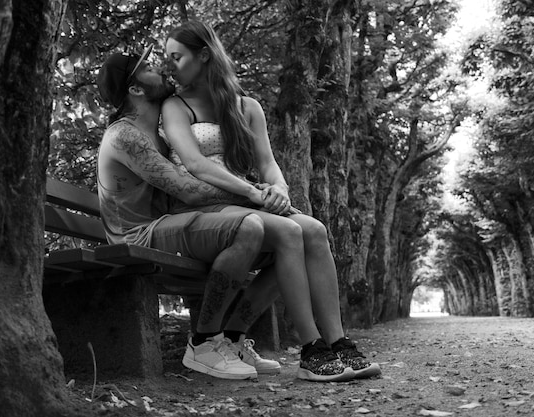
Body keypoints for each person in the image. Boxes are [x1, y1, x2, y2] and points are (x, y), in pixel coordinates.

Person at [161, 20, 381, 382]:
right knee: (288, 232)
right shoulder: (176, 106)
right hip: (201, 207)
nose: (171, 65)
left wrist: (278, 190)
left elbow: (267, 164)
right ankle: (311, 350)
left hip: (247, 204)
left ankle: (337, 342)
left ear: (203, 56)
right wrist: (253, 193)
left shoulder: (247, 107)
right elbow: (195, 164)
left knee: (314, 230)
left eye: (177, 57)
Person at [96, 45, 282, 380]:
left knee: (283, 241)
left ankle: (234, 338)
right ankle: (204, 342)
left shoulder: (161, 134)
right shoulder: (125, 135)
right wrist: (256, 195)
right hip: (139, 235)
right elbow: (188, 189)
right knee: (250, 227)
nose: (162, 69)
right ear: (136, 89)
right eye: (149, 67)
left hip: (170, 226)